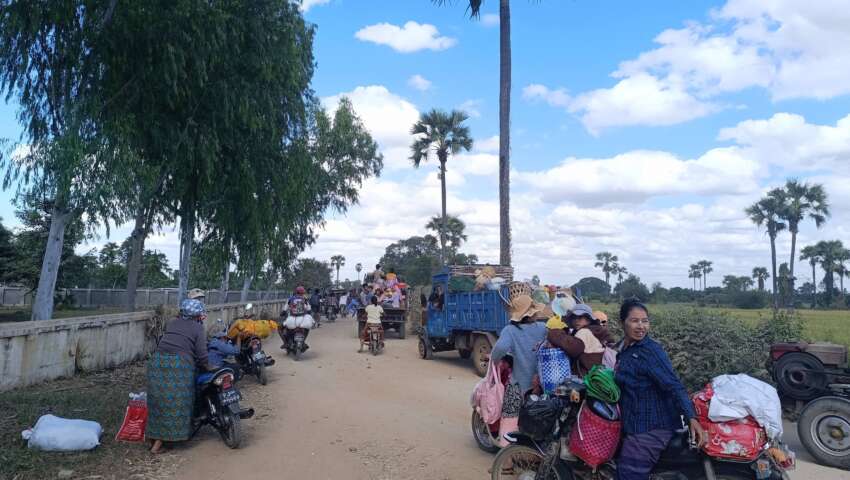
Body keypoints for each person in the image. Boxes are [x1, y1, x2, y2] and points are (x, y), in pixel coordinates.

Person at [614, 299, 707, 480]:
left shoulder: (650, 351)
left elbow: (674, 385)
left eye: (645, 321)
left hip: (651, 427)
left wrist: (691, 418)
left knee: (628, 475)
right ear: (622, 323)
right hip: (634, 423)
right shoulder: (625, 348)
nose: (641, 326)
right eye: (634, 321)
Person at [146, 299, 211, 454]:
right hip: (178, 366)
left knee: (158, 402)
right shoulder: (197, 328)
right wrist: (209, 366)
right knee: (176, 403)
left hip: (157, 363)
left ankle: (153, 438)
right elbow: (202, 354)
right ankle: (159, 444)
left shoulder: (173, 322)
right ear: (197, 315)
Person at [489, 295, 547, 445]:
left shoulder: (510, 330)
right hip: (540, 386)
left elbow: (499, 349)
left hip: (518, 385)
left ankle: (507, 454)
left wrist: (495, 359)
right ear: (531, 313)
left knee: (510, 417)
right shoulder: (543, 328)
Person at [546, 303, 613, 377]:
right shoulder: (595, 330)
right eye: (574, 318)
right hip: (598, 373)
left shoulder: (584, 332)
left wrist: (553, 333)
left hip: (587, 376)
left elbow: (573, 348)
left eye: (580, 317)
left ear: (588, 319)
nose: (576, 320)